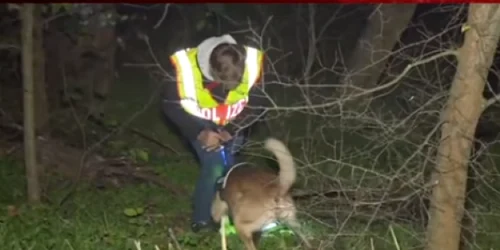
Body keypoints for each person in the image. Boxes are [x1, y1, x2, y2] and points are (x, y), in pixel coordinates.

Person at [162, 34, 269, 232]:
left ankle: (238, 214)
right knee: (215, 165)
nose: (230, 90)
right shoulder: (186, 69)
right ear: (211, 71)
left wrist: (232, 129)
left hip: (235, 121)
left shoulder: (250, 65)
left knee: (232, 166)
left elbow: (259, 103)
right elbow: (170, 106)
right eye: (226, 84)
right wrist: (200, 133)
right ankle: (202, 220)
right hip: (199, 122)